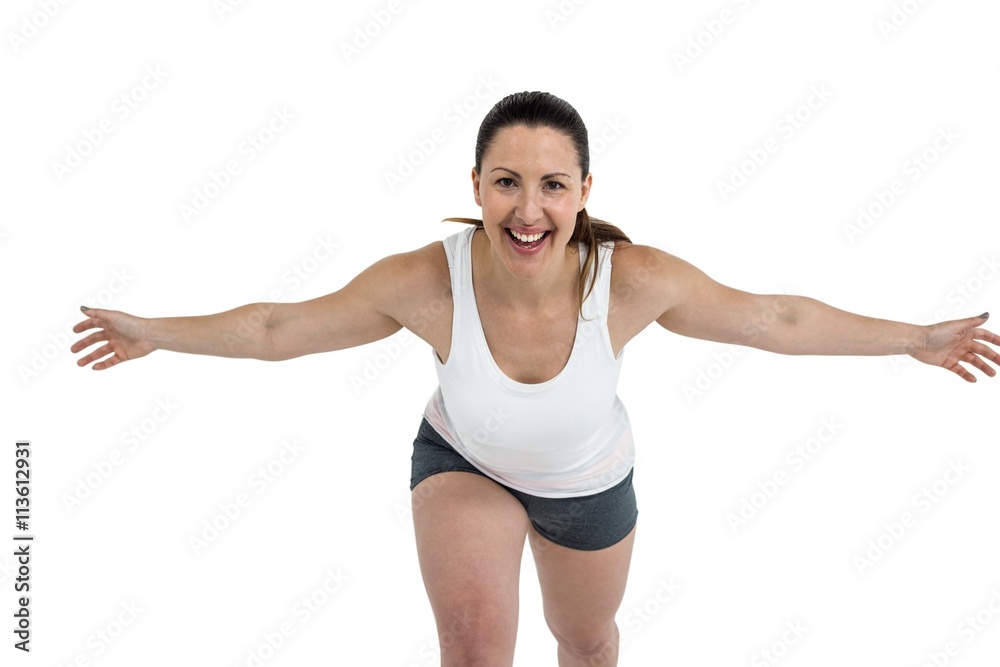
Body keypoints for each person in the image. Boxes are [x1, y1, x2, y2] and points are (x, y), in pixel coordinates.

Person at [71, 91, 999, 667]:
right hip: (464, 462)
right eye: (507, 181)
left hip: (589, 488)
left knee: (586, 646)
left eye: (553, 184)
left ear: (585, 191)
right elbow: (282, 327)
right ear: (476, 184)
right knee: (474, 647)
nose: (528, 207)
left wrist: (915, 336)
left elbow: (776, 318)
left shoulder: (628, 280)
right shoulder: (424, 282)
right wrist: (156, 331)